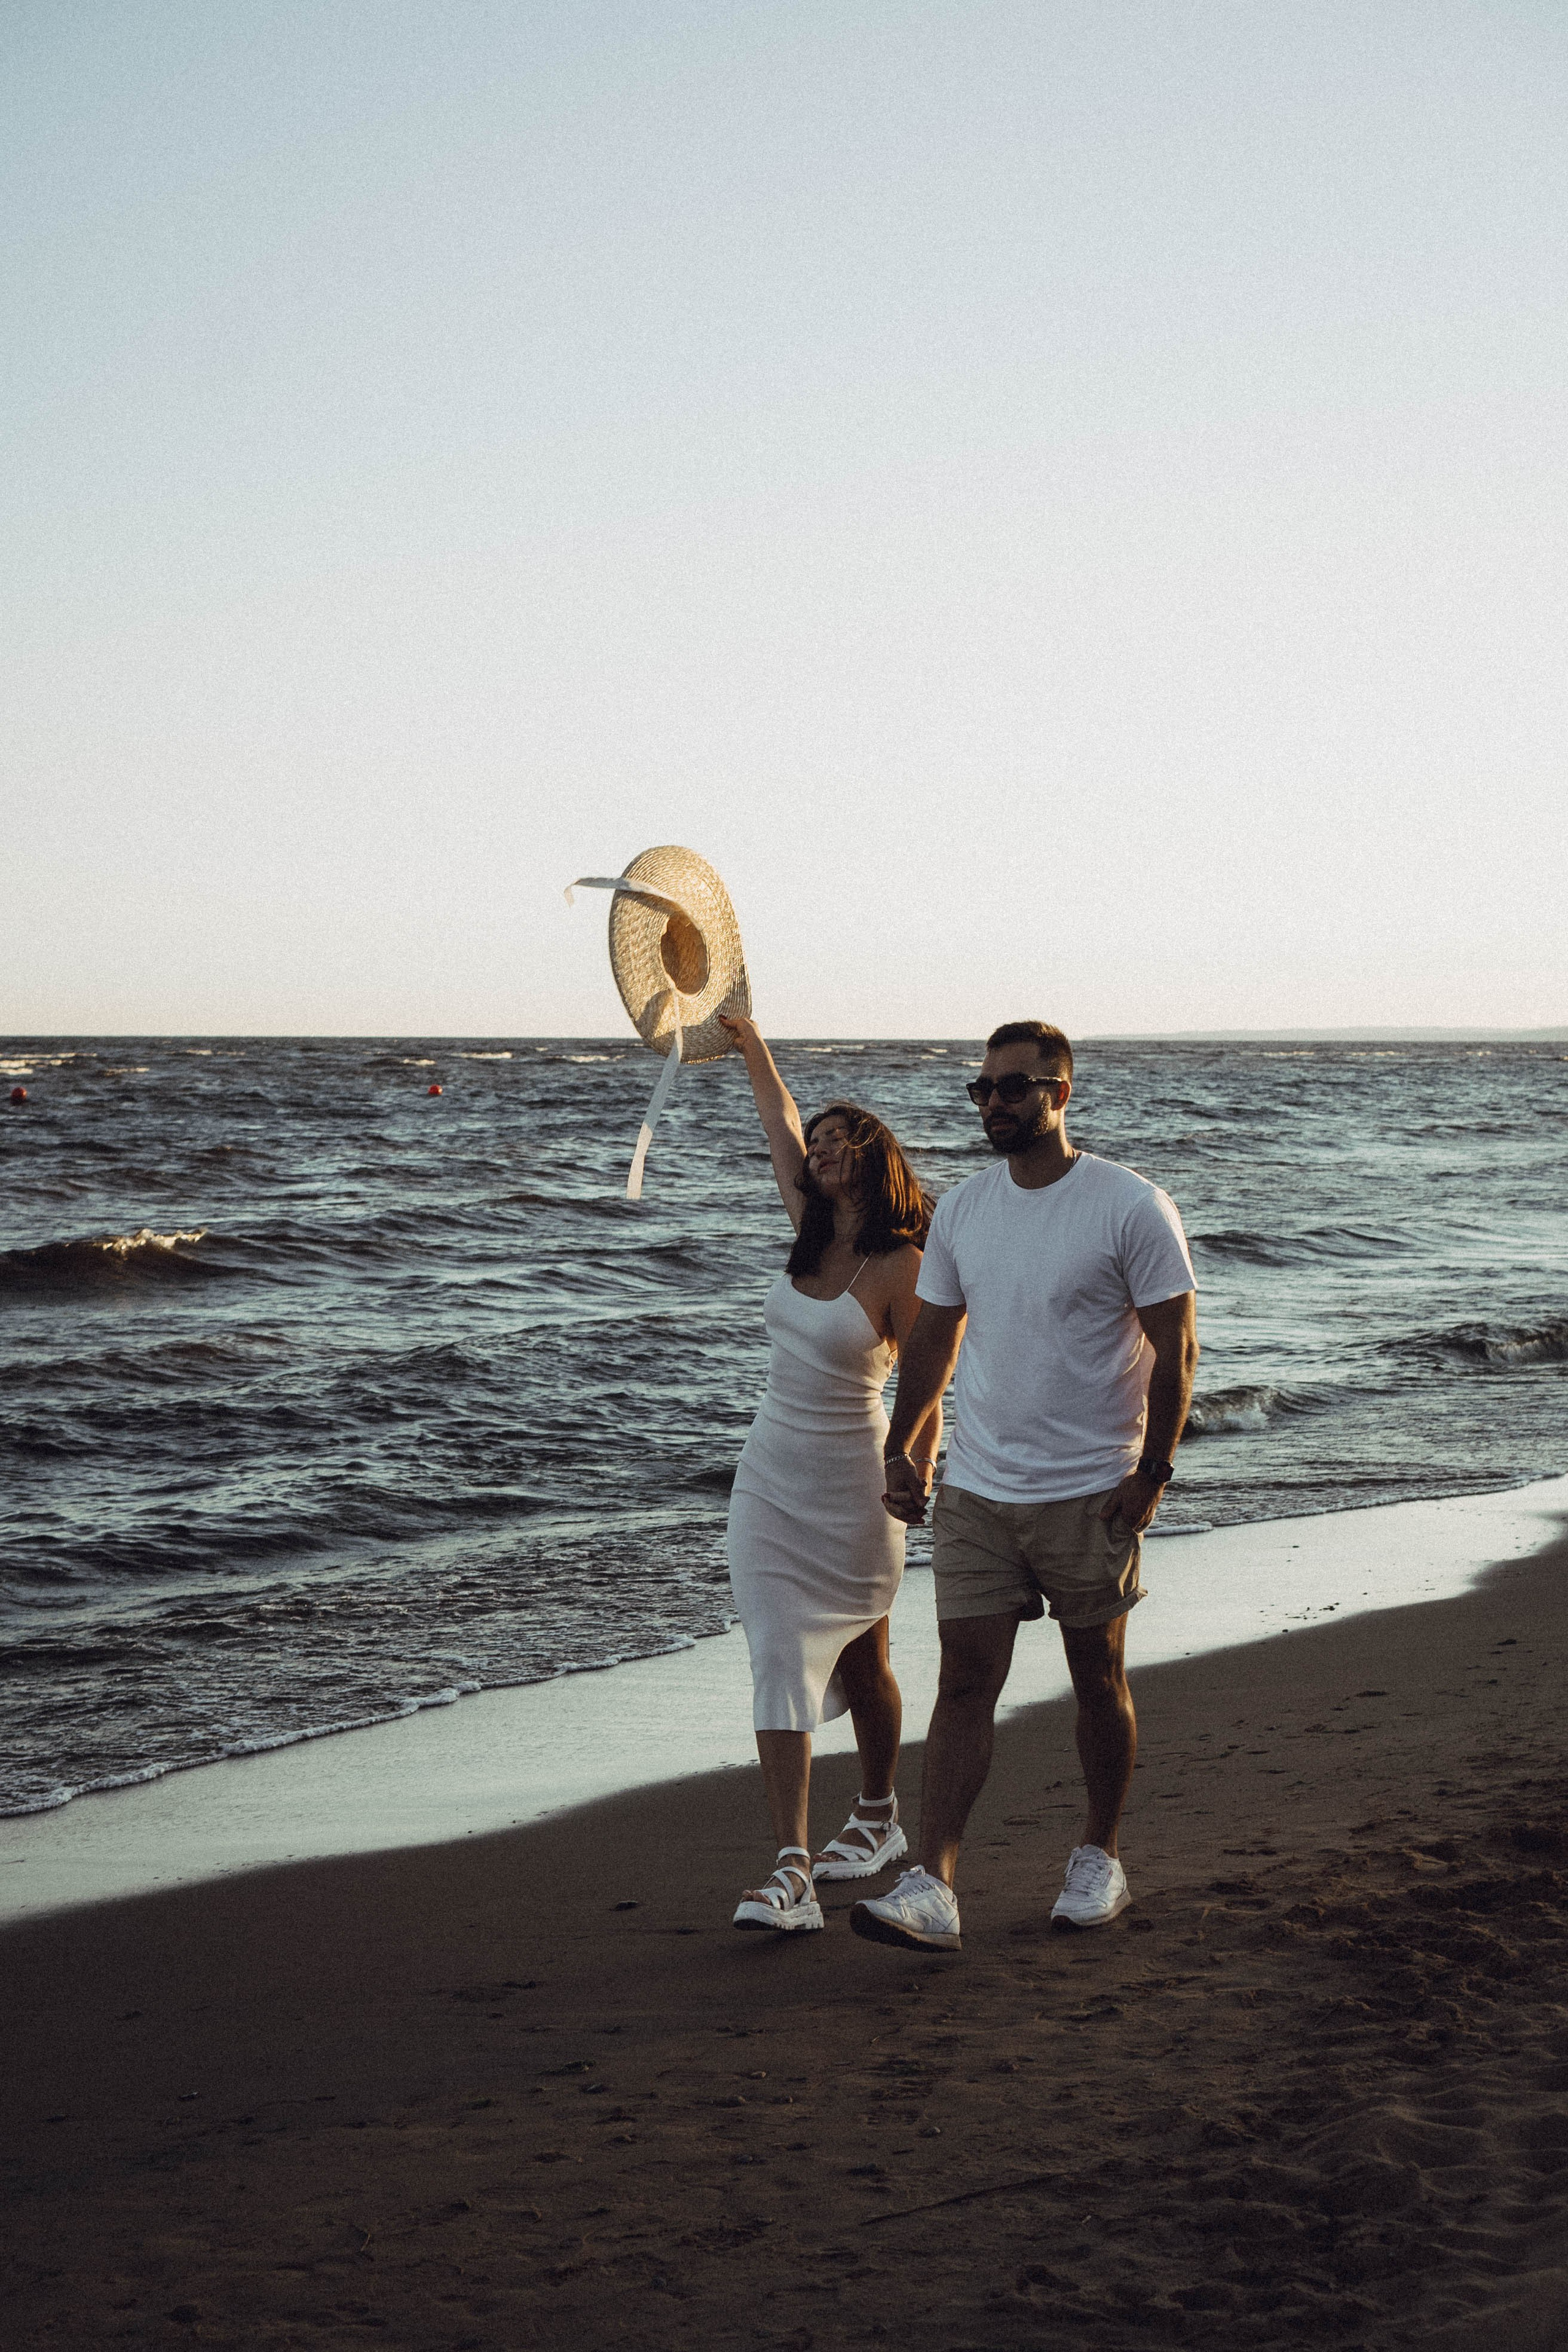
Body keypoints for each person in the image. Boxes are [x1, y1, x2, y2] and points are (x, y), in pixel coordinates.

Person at [851, 1020, 1198, 1953]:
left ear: (1060, 1093)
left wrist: (1153, 1473)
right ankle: (936, 1886)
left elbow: (1178, 1348)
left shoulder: (1130, 1206)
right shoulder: (964, 1209)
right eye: (983, 1088)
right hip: (979, 1487)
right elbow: (933, 1340)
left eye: (1014, 1087)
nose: (994, 1103)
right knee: (964, 1680)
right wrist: (905, 1447)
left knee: (1098, 1678)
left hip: (1093, 1490)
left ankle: (1099, 1856)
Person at [718, 1013, 941, 1934]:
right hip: (770, 1480)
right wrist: (752, 1043)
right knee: (776, 1653)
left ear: (875, 1158)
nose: (821, 1152)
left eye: (841, 1141)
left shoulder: (902, 1266)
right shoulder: (807, 1231)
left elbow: (931, 1384)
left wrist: (913, 1471)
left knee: (867, 1656)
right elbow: (777, 1117)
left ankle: (880, 1813)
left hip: (858, 1488)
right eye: (818, 1144)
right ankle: (791, 1872)